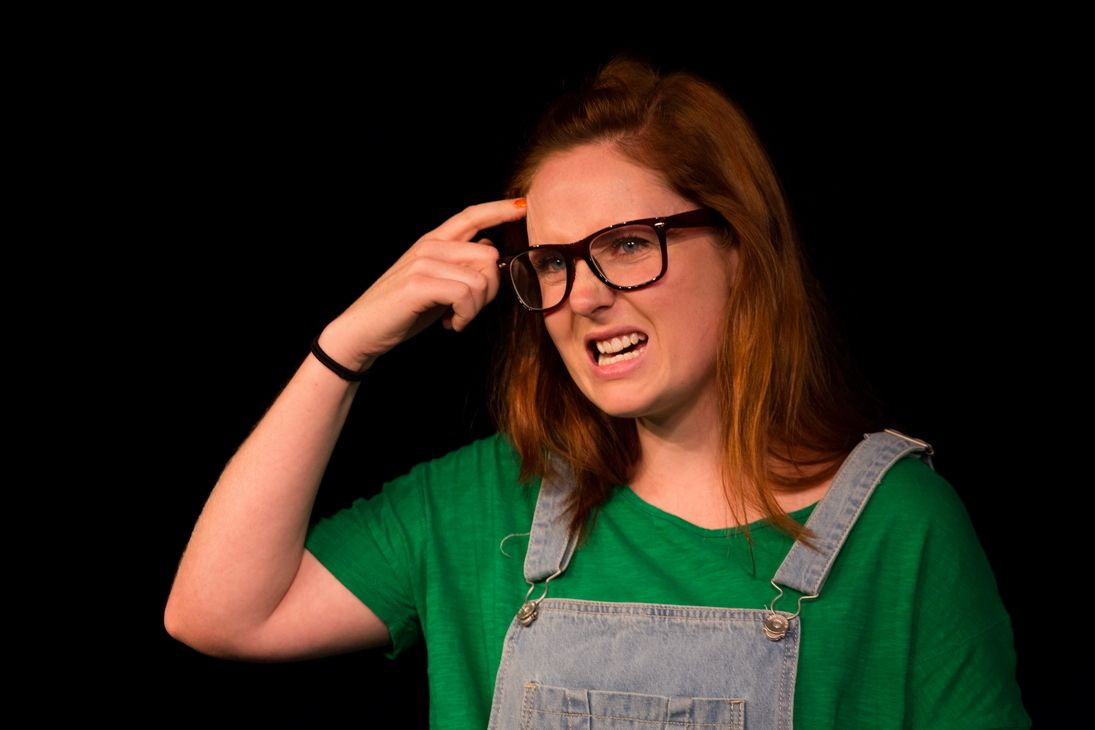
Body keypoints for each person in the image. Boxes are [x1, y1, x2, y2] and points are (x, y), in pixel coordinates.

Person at [165, 58, 1029, 728]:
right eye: (550, 263)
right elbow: (217, 614)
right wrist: (347, 343)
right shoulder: (480, 506)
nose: (579, 296)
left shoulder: (899, 529)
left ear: (740, 249)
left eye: (623, 245)